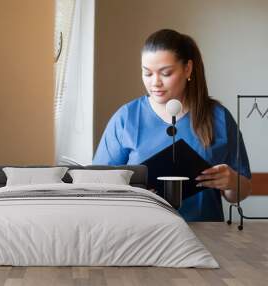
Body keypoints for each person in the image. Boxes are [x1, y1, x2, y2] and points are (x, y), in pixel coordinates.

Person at [93, 29, 252, 222]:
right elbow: (98, 184)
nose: (155, 83)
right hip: (141, 232)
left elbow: (240, 192)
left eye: (166, 73)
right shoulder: (127, 117)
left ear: (187, 69)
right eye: (147, 73)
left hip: (205, 235)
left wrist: (231, 182)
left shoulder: (219, 117)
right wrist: (131, 191)